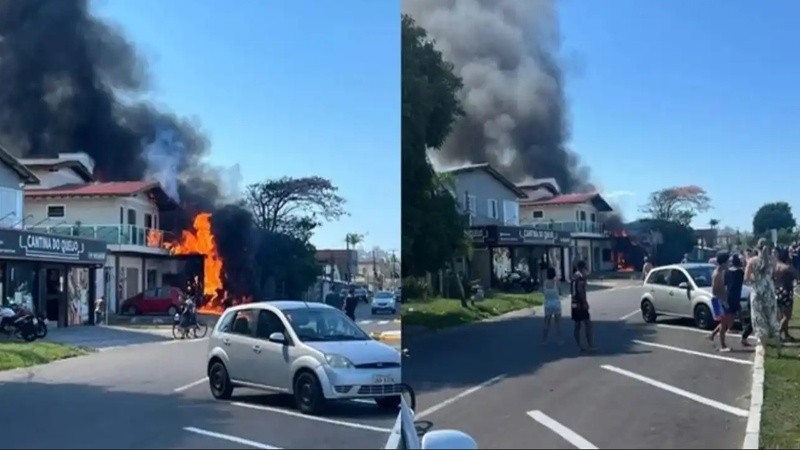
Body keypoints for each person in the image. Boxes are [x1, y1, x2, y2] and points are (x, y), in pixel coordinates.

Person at [745, 238, 782, 353]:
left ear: (757, 247)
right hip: (770, 293)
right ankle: (778, 349)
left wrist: (754, 279)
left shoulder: (752, 261)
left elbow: (746, 279)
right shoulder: (772, 260)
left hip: (757, 294)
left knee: (760, 322)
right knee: (773, 320)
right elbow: (774, 275)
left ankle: (763, 349)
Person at [708, 252, 733, 352]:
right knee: (724, 324)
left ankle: (712, 335)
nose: (729, 263)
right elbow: (715, 290)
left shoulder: (721, 272)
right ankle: (723, 346)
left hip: (721, 299)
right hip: (719, 300)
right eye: (728, 262)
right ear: (723, 263)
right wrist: (723, 300)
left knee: (724, 321)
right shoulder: (717, 274)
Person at [773, 248, 796, 342]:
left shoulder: (775, 266)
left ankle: (786, 334)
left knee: (782, 315)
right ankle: (778, 333)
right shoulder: (787, 267)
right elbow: (797, 275)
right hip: (786, 291)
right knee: (787, 316)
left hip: (777, 290)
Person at [571, 260, 594, 352]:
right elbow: (580, 291)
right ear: (582, 268)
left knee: (577, 324)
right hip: (580, 302)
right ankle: (590, 344)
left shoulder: (574, 276)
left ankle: (579, 344)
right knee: (587, 322)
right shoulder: (580, 277)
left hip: (574, 302)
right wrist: (585, 302)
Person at [541, 267, 563, 345]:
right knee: (558, 323)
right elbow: (560, 292)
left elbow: (544, 292)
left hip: (548, 304)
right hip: (556, 304)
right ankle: (560, 340)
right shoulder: (557, 282)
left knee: (546, 323)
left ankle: (544, 340)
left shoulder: (545, 282)